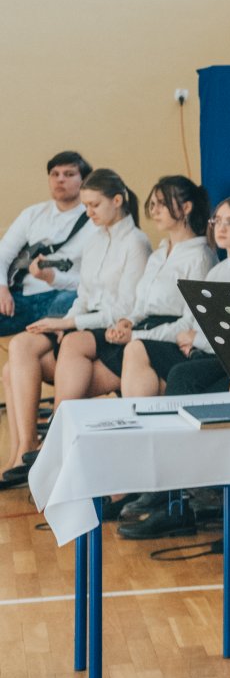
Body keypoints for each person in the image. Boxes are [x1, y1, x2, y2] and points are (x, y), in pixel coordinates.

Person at [1, 169, 150, 485]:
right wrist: (66, 321)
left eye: (95, 205)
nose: (89, 213)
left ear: (118, 200)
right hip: (83, 323)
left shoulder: (136, 242)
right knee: (20, 347)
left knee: (73, 341)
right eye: (86, 205)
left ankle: (54, 441)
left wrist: (70, 322)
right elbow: (84, 294)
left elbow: (124, 308)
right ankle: (23, 449)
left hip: (107, 328)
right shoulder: (96, 240)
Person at [51, 176, 214, 408]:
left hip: (169, 342)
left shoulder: (200, 257)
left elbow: (189, 325)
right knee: (77, 376)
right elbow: (140, 306)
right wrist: (127, 322)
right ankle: (57, 429)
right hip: (142, 332)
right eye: (153, 204)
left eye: (162, 204)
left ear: (186, 208)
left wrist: (136, 336)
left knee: (126, 353)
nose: (154, 210)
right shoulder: (158, 255)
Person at [123, 195, 230, 400]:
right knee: (137, 349)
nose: (221, 229)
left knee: (181, 376)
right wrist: (191, 340)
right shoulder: (217, 272)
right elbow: (198, 319)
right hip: (203, 350)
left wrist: (197, 340)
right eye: (217, 221)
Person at [0, 151, 95, 337]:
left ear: (84, 181)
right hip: (21, 297)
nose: (60, 180)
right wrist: (2, 288)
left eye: (69, 174)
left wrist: (53, 278)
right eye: (55, 174)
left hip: (63, 298)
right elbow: (3, 253)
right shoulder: (33, 214)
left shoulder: (95, 222)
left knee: (69, 302)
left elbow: (93, 283)